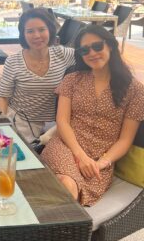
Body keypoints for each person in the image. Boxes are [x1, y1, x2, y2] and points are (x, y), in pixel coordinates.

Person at [41, 25, 144, 206]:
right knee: (66, 184)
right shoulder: (72, 80)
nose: (92, 53)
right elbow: (62, 121)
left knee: (66, 191)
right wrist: (80, 156)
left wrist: (102, 163)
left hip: (100, 160)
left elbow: (125, 140)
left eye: (97, 46)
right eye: (84, 50)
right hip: (66, 146)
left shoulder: (135, 90)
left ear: (109, 45)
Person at [0, 8, 75, 143]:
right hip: (21, 121)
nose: (37, 35)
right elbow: (3, 98)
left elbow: (90, 56)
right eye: (30, 31)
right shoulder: (13, 61)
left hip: (53, 126)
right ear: (23, 34)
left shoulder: (63, 54)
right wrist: (1, 127)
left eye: (41, 29)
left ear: (50, 30)